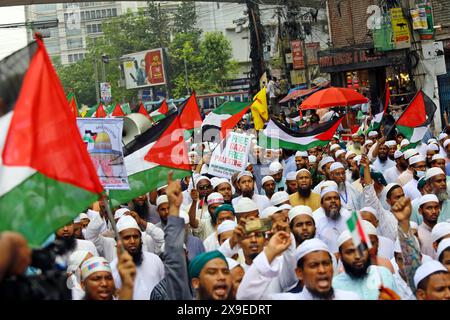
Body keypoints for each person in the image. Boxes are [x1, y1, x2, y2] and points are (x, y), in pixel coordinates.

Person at [237, 237, 359, 300]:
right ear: (300, 273)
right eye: (314, 265)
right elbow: (245, 298)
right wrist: (270, 251)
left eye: (326, 263)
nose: (322, 270)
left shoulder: (351, 297)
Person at [110, 215, 165, 299]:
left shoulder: (155, 260)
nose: (132, 241)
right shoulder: (111, 269)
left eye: (135, 237)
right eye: (127, 238)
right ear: (118, 241)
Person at [333, 230, 398, 300]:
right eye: (350, 252)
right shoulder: (334, 286)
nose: (358, 256)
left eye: (362, 249)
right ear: (341, 256)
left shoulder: (384, 274)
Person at [313, 186, 351, 254]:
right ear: (322, 204)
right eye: (328, 199)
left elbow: (360, 242)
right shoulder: (315, 221)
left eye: (336, 198)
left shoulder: (351, 217)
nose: (333, 201)